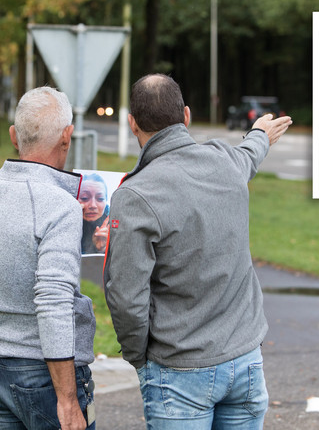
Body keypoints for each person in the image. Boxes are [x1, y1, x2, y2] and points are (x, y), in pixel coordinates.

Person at [103, 73, 292, 429]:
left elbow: (126, 296)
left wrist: (138, 358)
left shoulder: (134, 196)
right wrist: (260, 135)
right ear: (186, 115)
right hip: (246, 361)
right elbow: (249, 155)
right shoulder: (224, 160)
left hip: (179, 372)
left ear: (132, 124)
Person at [0, 86, 96, 430]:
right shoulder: (59, 206)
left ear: (13, 136)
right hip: (44, 377)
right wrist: (66, 398)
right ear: (67, 137)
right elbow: (52, 301)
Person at [79, 173, 109, 254]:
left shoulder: (115, 225)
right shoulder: (63, 221)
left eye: (100, 198)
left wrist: (102, 249)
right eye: (85, 198)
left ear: (106, 201)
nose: (93, 205)